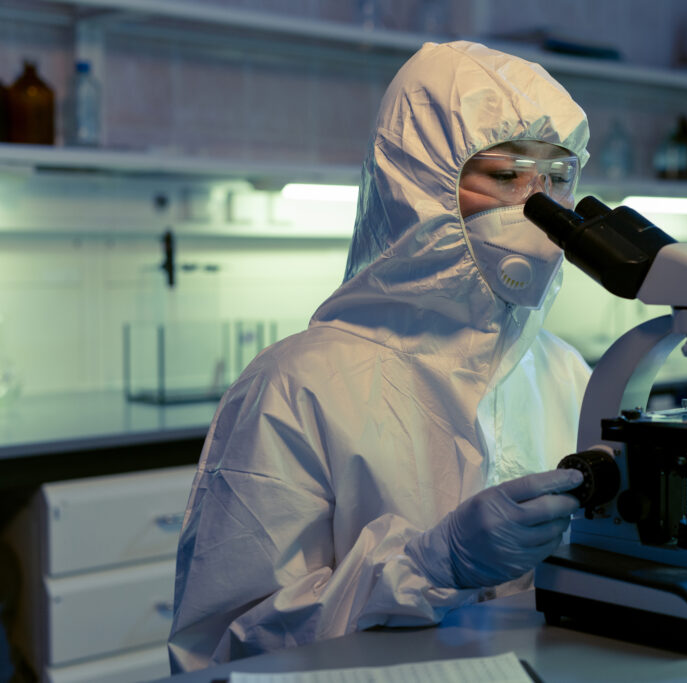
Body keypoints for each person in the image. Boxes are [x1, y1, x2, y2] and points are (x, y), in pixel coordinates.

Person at [168, 40, 592, 672]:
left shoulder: (567, 373)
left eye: (557, 179)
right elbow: (230, 644)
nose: (541, 207)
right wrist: (431, 566)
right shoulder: (297, 386)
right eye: (506, 176)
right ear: (421, 183)